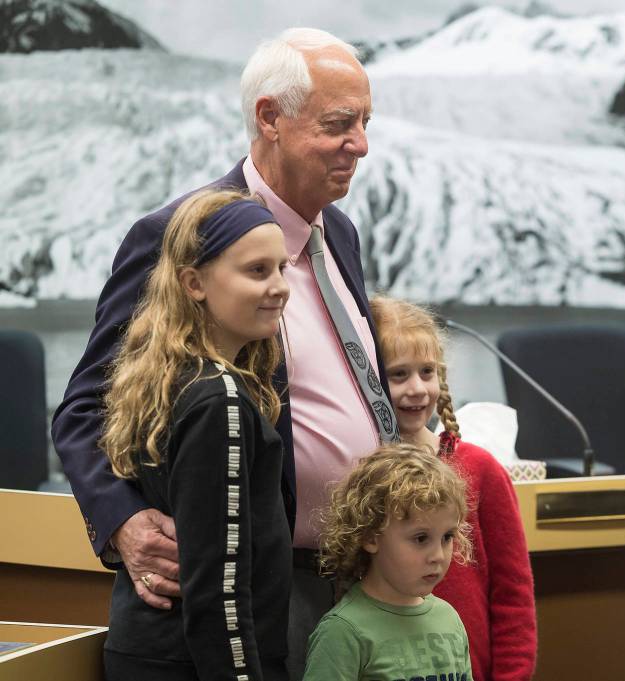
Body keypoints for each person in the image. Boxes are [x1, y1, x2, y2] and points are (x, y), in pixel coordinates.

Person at [51, 27, 392, 679]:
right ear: (270, 117)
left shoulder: (338, 231)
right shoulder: (180, 235)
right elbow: (84, 410)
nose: (362, 144)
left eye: (366, 122)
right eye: (340, 123)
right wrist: (121, 521)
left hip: (359, 577)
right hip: (255, 591)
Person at [99, 190, 292, 680]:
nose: (279, 287)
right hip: (190, 663)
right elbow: (218, 592)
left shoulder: (170, 379)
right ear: (194, 282)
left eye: (282, 269)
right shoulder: (219, 398)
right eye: (256, 271)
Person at [369, 295, 537, 681]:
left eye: (426, 372)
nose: (417, 389)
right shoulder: (364, 475)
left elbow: (513, 594)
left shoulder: (480, 469)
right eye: (399, 374)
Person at [305, 443, 475, 681]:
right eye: (421, 538)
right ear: (371, 536)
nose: (438, 555)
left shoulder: (449, 619)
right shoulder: (344, 631)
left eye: (447, 537)